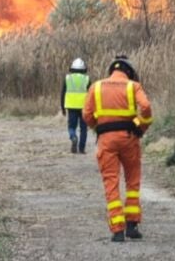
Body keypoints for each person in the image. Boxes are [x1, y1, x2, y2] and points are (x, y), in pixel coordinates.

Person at [82, 56, 153, 242]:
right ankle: (132, 226)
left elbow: (86, 115)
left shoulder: (96, 87)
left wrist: (99, 127)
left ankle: (117, 231)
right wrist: (140, 126)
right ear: (129, 72)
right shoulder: (133, 86)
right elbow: (145, 106)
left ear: (111, 70)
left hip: (106, 140)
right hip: (129, 139)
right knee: (132, 181)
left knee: (111, 183)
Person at [61, 58, 90, 154]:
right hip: (84, 107)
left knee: (71, 127)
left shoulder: (67, 78)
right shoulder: (87, 79)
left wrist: (63, 108)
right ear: (83, 69)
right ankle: (81, 149)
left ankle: (73, 137)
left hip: (71, 106)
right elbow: (91, 94)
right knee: (83, 128)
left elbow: (63, 93)